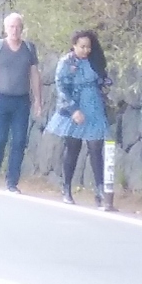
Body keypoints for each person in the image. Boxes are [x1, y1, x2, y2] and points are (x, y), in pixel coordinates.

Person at [46, 30, 110, 207]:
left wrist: (105, 83)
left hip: (94, 106)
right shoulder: (66, 62)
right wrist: (73, 110)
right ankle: (66, 187)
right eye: (82, 47)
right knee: (73, 147)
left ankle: (100, 190)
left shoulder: (94, 59)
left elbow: (102, 79)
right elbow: (61, 87)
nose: (86, 50)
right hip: (75, 106)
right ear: (74, 45)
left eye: (88, 47)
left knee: (96, 147)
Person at [0, 11, 41, 193]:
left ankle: (12, 181)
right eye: (11, 27)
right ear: (5, 28)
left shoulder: (29, 48)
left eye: (18, 27)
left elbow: (34, 74)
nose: (14, 30)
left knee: (19, 140)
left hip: (21, 101)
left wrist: (38, 100)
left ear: (22, 29)